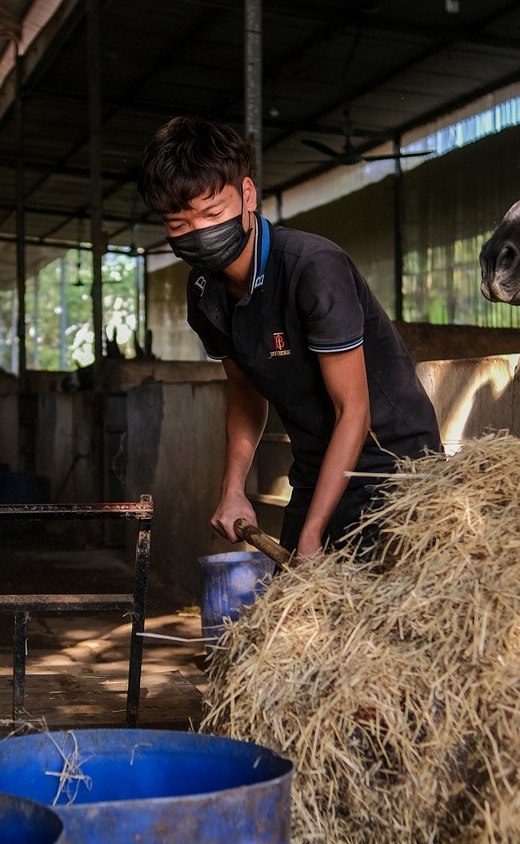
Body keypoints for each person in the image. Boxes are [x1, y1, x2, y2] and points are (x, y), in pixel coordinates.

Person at [137, 116, 441, 558]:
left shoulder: (313, 267)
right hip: (317, 469)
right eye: (179, 226)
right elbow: (244, 392)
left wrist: (312, 534)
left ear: (246, 194)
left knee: (372, 615)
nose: (199, 233)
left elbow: (352, 409)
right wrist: (233, 490)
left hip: (393, 469)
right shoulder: (204, 292)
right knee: (294, 616)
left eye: (212, 213)